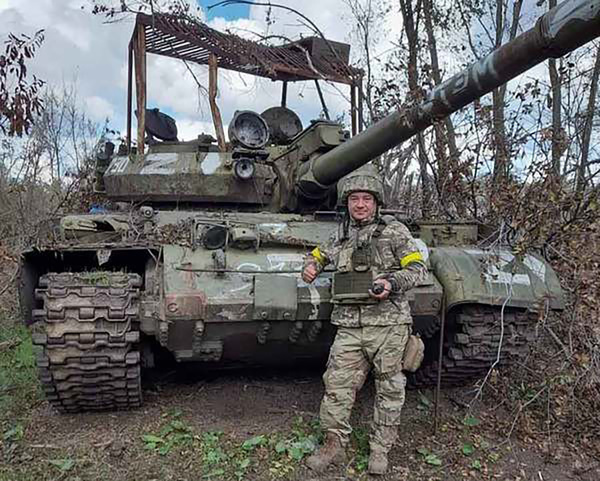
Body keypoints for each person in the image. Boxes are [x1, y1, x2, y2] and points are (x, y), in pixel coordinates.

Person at [302, 164, 427, 475]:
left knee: (390, 387)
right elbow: (319, 254)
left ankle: (380, 449)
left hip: (389, 325)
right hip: (349, 325)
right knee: (337, 385)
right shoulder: (341, 234)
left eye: (366, 199)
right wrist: (311, 265)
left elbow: (416, 269)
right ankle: (334, 445)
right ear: (346, 203)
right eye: (354, 199)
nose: (360, 205)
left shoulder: (395, 232)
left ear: (376, 202)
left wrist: (392, 284)